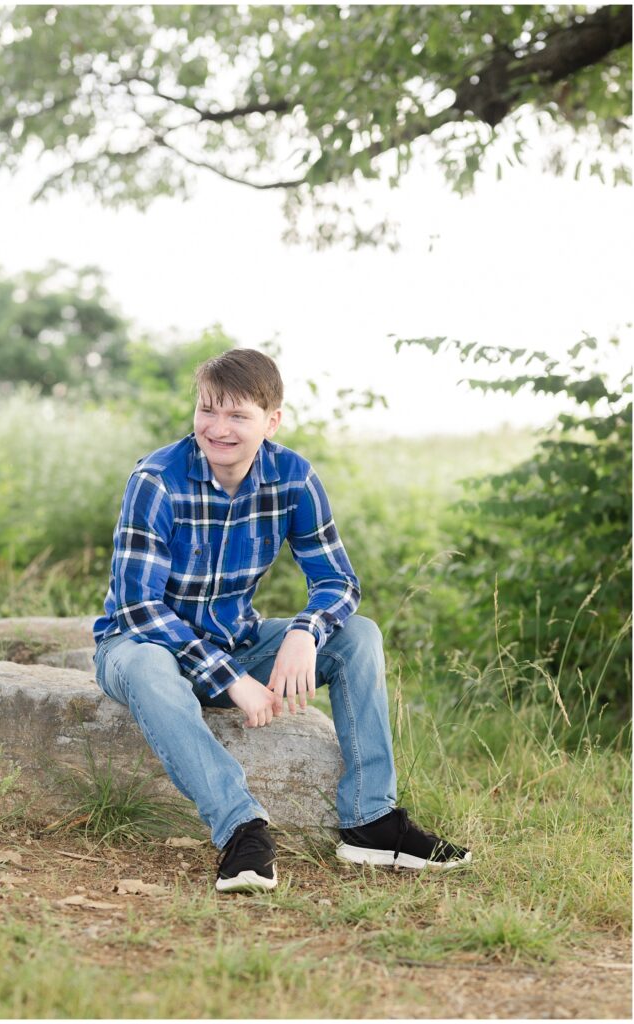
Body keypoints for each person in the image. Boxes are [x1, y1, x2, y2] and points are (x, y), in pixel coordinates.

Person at [93, 348, 471, 892]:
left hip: (237, 639)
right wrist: (232, 681)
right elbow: (138, 608)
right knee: (151, 664)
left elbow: (338, 582)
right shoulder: (157, 479)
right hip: (140, 649)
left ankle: (370, 823)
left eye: (237, 416)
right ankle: (242, 829)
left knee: (359, 635)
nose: (217, 429)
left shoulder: (293, 477)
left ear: (271, 421)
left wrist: (303, 631)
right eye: (207, 411)